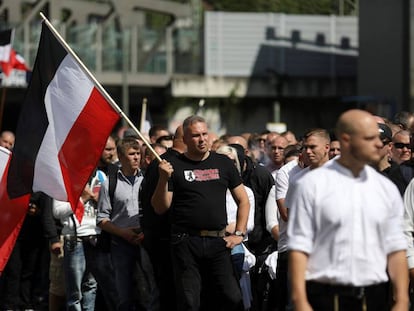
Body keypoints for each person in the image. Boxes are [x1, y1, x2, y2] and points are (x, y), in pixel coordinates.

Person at [287, 109, 409, 311]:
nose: (379, 144)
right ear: (346, 140)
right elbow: (299, 247)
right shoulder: (312, 185)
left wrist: (402, 300)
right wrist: (300, 301)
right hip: (325, 297)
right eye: (370, 138)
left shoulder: (385, 188)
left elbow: (396, 247)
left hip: (373, 297)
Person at [152, 115, 250, 311]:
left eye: (205, 134)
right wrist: (163, 179)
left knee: (232, 297)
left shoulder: (223, 163)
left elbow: (243, 200)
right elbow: (160, 207)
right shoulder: (172, 166)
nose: (202, 139)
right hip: (186, 242)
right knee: (190, 301)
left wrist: (239, 233)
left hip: (218, 242)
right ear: (185, 139)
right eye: (196, 135)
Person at [97, 137, 157, 311]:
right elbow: (102, 219)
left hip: (146, 241)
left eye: (138, 153)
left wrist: (145, 231)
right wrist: (123, 233)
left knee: (150, 288)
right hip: (121, 244)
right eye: (131, 154)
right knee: (124, 291)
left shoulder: (147, 180)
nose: (136, 157)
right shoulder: (110, 183)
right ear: (121, 157)